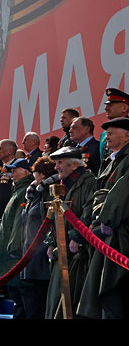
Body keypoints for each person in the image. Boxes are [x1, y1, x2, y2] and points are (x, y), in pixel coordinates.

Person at [78, 116, 129, 319]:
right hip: (105, 232)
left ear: (127, 135)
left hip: (118, 232)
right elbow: (99, 194)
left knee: (113, 287)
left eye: (111, 132)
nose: (106, 137)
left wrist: (104, 219)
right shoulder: (112, 160)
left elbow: (120, 194)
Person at [44, 146, 97, 319]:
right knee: (56, 301)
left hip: (78, 253)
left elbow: (89, 210)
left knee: (71, 301)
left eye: (60, 163)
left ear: (74, 165)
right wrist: (51, 242)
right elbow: (52, 218)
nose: (56, 167)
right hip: (61, 251)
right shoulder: (60, 186)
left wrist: (76, 237)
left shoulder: (89, 182)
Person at [0, 158, 34, 319]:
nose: (11, 174)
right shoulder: (18, 190)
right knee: (18, 299)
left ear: (26, 172)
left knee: (23, 301)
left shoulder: (24, 191)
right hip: (12, 256)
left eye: (14, 170)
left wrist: (14, 249)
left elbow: (19, 224)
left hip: (15, 257)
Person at [19, 156, 57, 319]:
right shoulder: (33, 194)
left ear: (42, 174)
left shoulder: (48, 194)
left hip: (42, 257)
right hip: (29, 256)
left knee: (40, 307)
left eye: (35, 173)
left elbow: (51, 223)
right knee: (31, 306)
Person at [98, 87, 129, 174]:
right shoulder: (103, 135)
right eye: (106, 105)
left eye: (110, 105)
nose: (106, 108)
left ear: (124, 108)